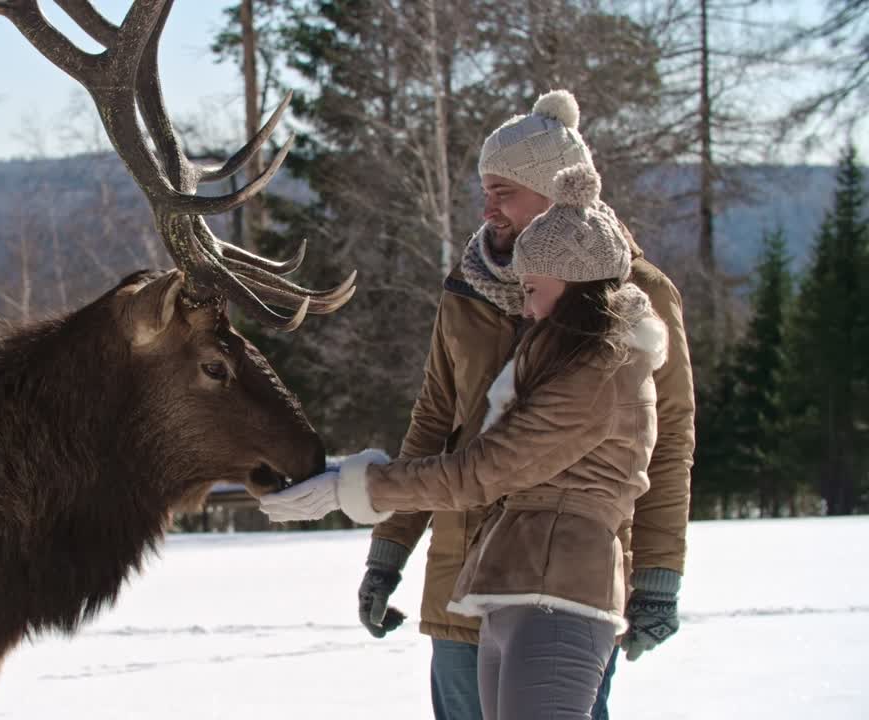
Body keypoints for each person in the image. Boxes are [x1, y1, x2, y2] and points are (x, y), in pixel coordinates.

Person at [264, 89, 694, 720]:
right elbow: (434, 421)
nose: (488, 207)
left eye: (505, 191)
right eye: (484, 189)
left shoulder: (631, 295)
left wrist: (658, 574)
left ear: (553, 189)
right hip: (462, 570)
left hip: (562, 571)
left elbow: (670, 439)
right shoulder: (466, 287)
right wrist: (390, 552)